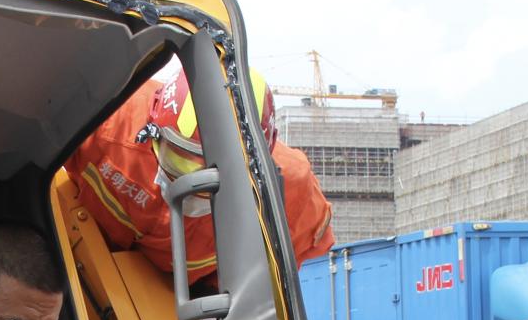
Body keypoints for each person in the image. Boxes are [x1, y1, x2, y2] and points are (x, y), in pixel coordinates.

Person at [65, 68, 334, 284]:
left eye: (211, 179)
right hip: (72, 254)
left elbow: (281, 278)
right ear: (153, 130)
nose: (189, 188)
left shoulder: (289, 191)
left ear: (256, 168)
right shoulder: (106, 115)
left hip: (182, 305)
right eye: (178, 160)